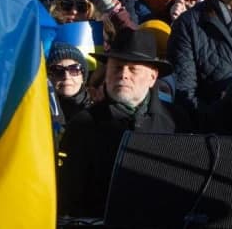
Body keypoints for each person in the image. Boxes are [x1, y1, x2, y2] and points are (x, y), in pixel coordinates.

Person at [56, 30, 180, 220]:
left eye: (133, 69)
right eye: (117, 68)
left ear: (153, 77)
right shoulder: (83, 125)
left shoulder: (177, 122)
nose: (123, 75)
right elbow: (69, 198)